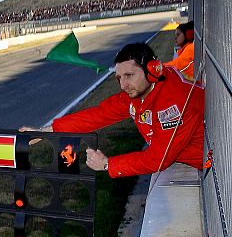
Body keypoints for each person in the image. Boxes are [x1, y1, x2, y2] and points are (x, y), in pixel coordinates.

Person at [20, 42, 204, 178]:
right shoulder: (141, 91)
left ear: (152, 70)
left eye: (129, 75)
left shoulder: (173, 102)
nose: (123, 85)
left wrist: (108, 164)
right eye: (119, 78)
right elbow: (98, 115)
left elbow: (158, 159)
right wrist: (45, 132)